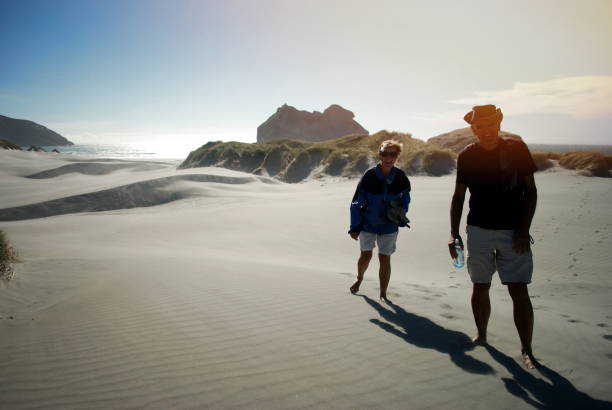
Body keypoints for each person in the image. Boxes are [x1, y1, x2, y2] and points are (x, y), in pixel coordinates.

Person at [448, 104, 539, 369]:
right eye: (480, 127)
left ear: (499, 123)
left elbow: (531, 191)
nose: (486, 131)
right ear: (473, 129)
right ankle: (482, 335)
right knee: (480, 285)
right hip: (478, 230)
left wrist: (524, 230)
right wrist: (454, 234)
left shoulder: (516, 149)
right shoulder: (467, 155)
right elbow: (458, 197)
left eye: (490, 125)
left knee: (518, 289)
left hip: (513, 232)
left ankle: (527, 349)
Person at [349, 140, 411, 303]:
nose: (388, 157)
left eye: (393, 154)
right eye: (385, 153)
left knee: (385, 258)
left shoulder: (401, 177)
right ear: (379, 154)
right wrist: (354, 226)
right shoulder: (369, 176)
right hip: (368, 224)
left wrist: (401, 213)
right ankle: (360, 278)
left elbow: (406, 200)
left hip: (389, 226)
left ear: (397, 156)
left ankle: (383, 293)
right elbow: (357, 202)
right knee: (366, 256)